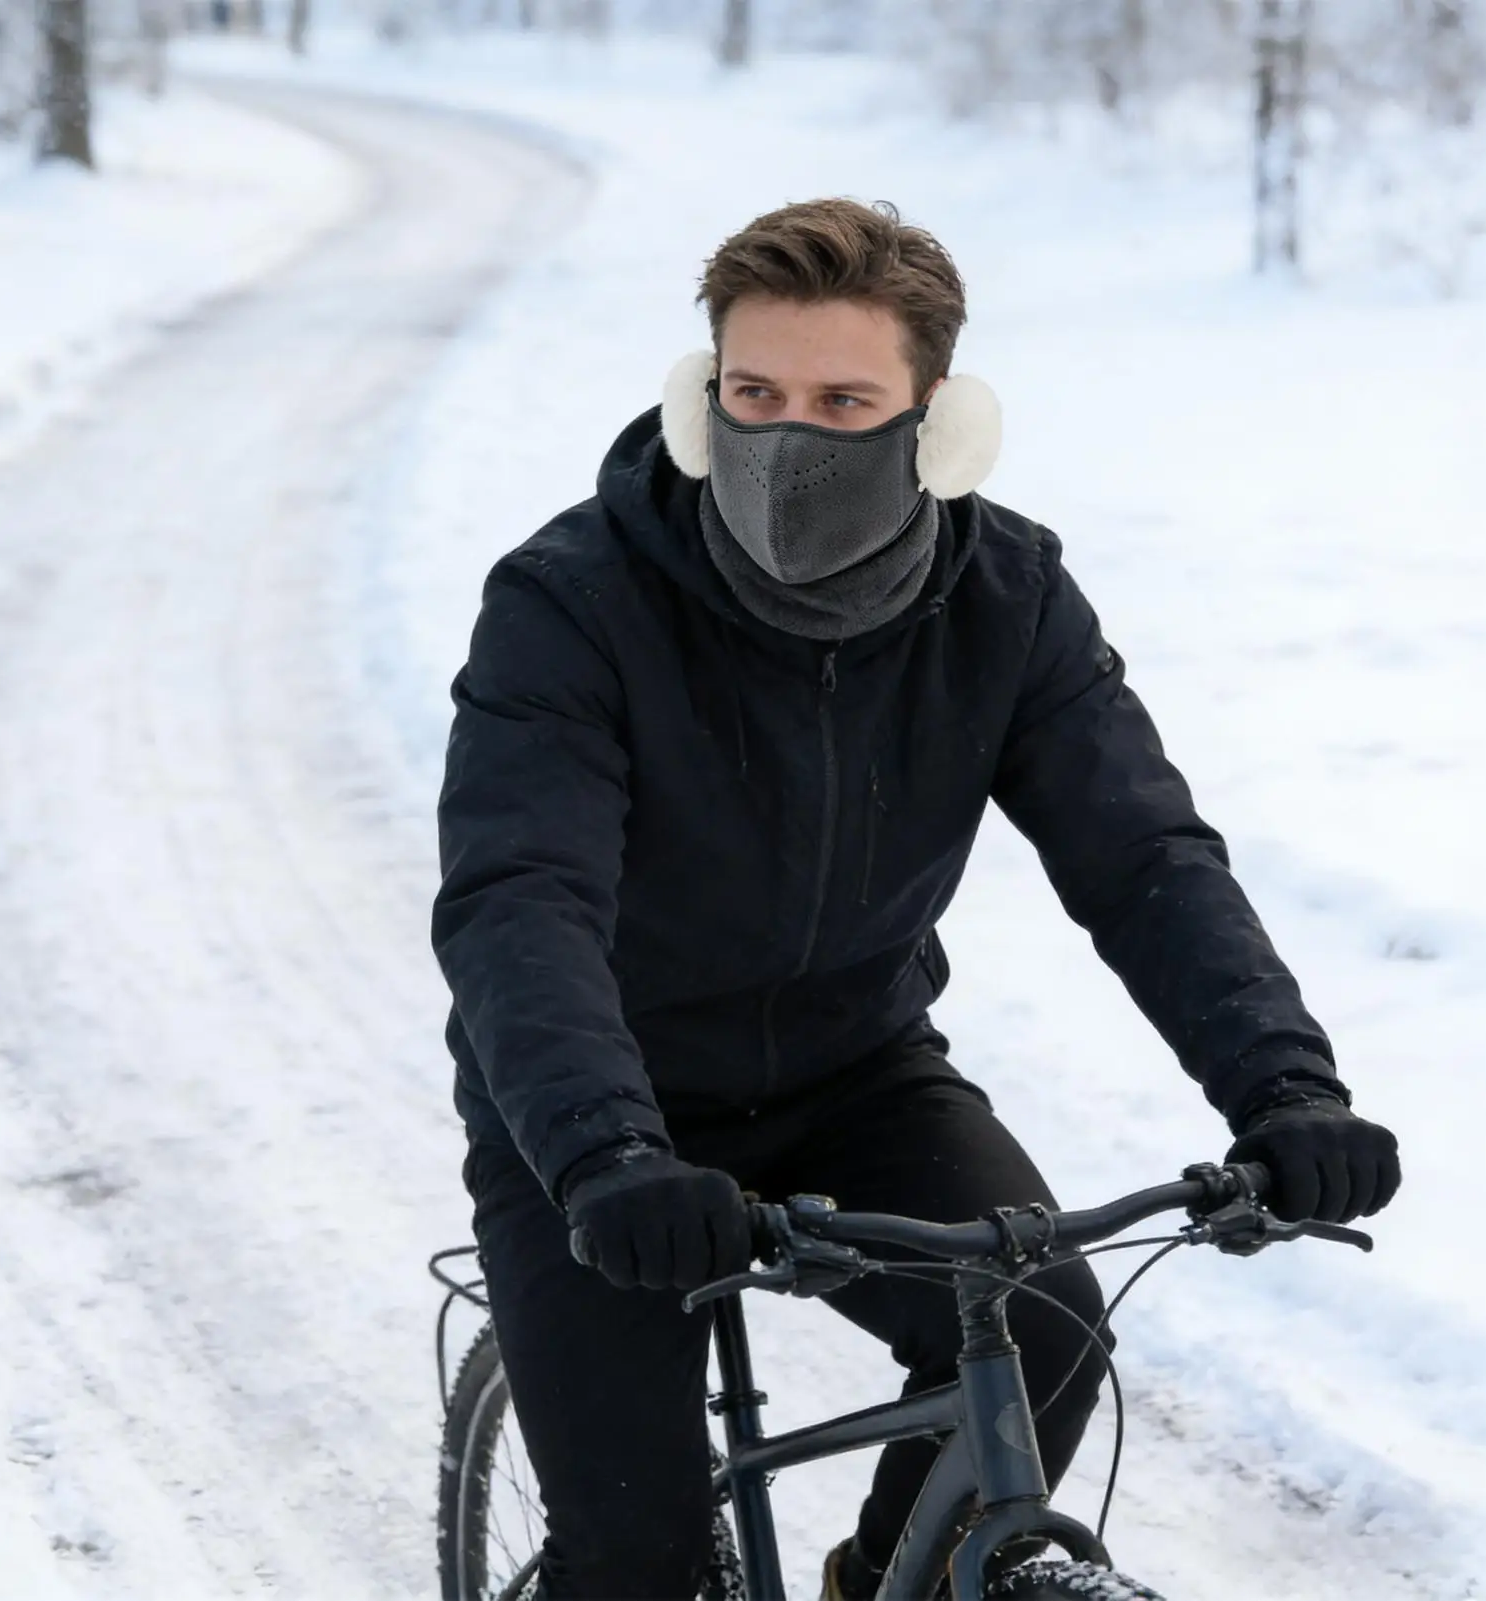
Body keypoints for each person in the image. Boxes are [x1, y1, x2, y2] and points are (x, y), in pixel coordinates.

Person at [431, 199, 1401, 1601]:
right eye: (754, 396)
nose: (789, 444)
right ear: (700, 406)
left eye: (844, 403)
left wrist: (1287, 1092)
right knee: (636, 1560)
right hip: (599, 1115)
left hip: (854, 1071)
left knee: (1049, 1338)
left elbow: (1145, 861)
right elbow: (521, 896)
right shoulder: (571, 601)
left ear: (937, 423)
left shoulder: (1008, 599)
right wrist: (601, 1156)